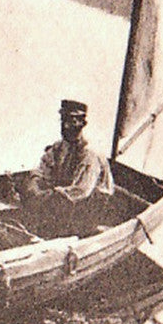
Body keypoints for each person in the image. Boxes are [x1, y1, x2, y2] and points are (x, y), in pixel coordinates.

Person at [17, 99, 115, 234]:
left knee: (55, 204)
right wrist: (34, 185)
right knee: (30, 192)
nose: (67, 126)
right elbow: (41, 170)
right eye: (65, 121)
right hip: (68, 198)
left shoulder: (90, 154)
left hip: (93, 205)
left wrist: (48, 196)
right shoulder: (59, 147)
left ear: (83, 124)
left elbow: (81, 191)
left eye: (73, 122)